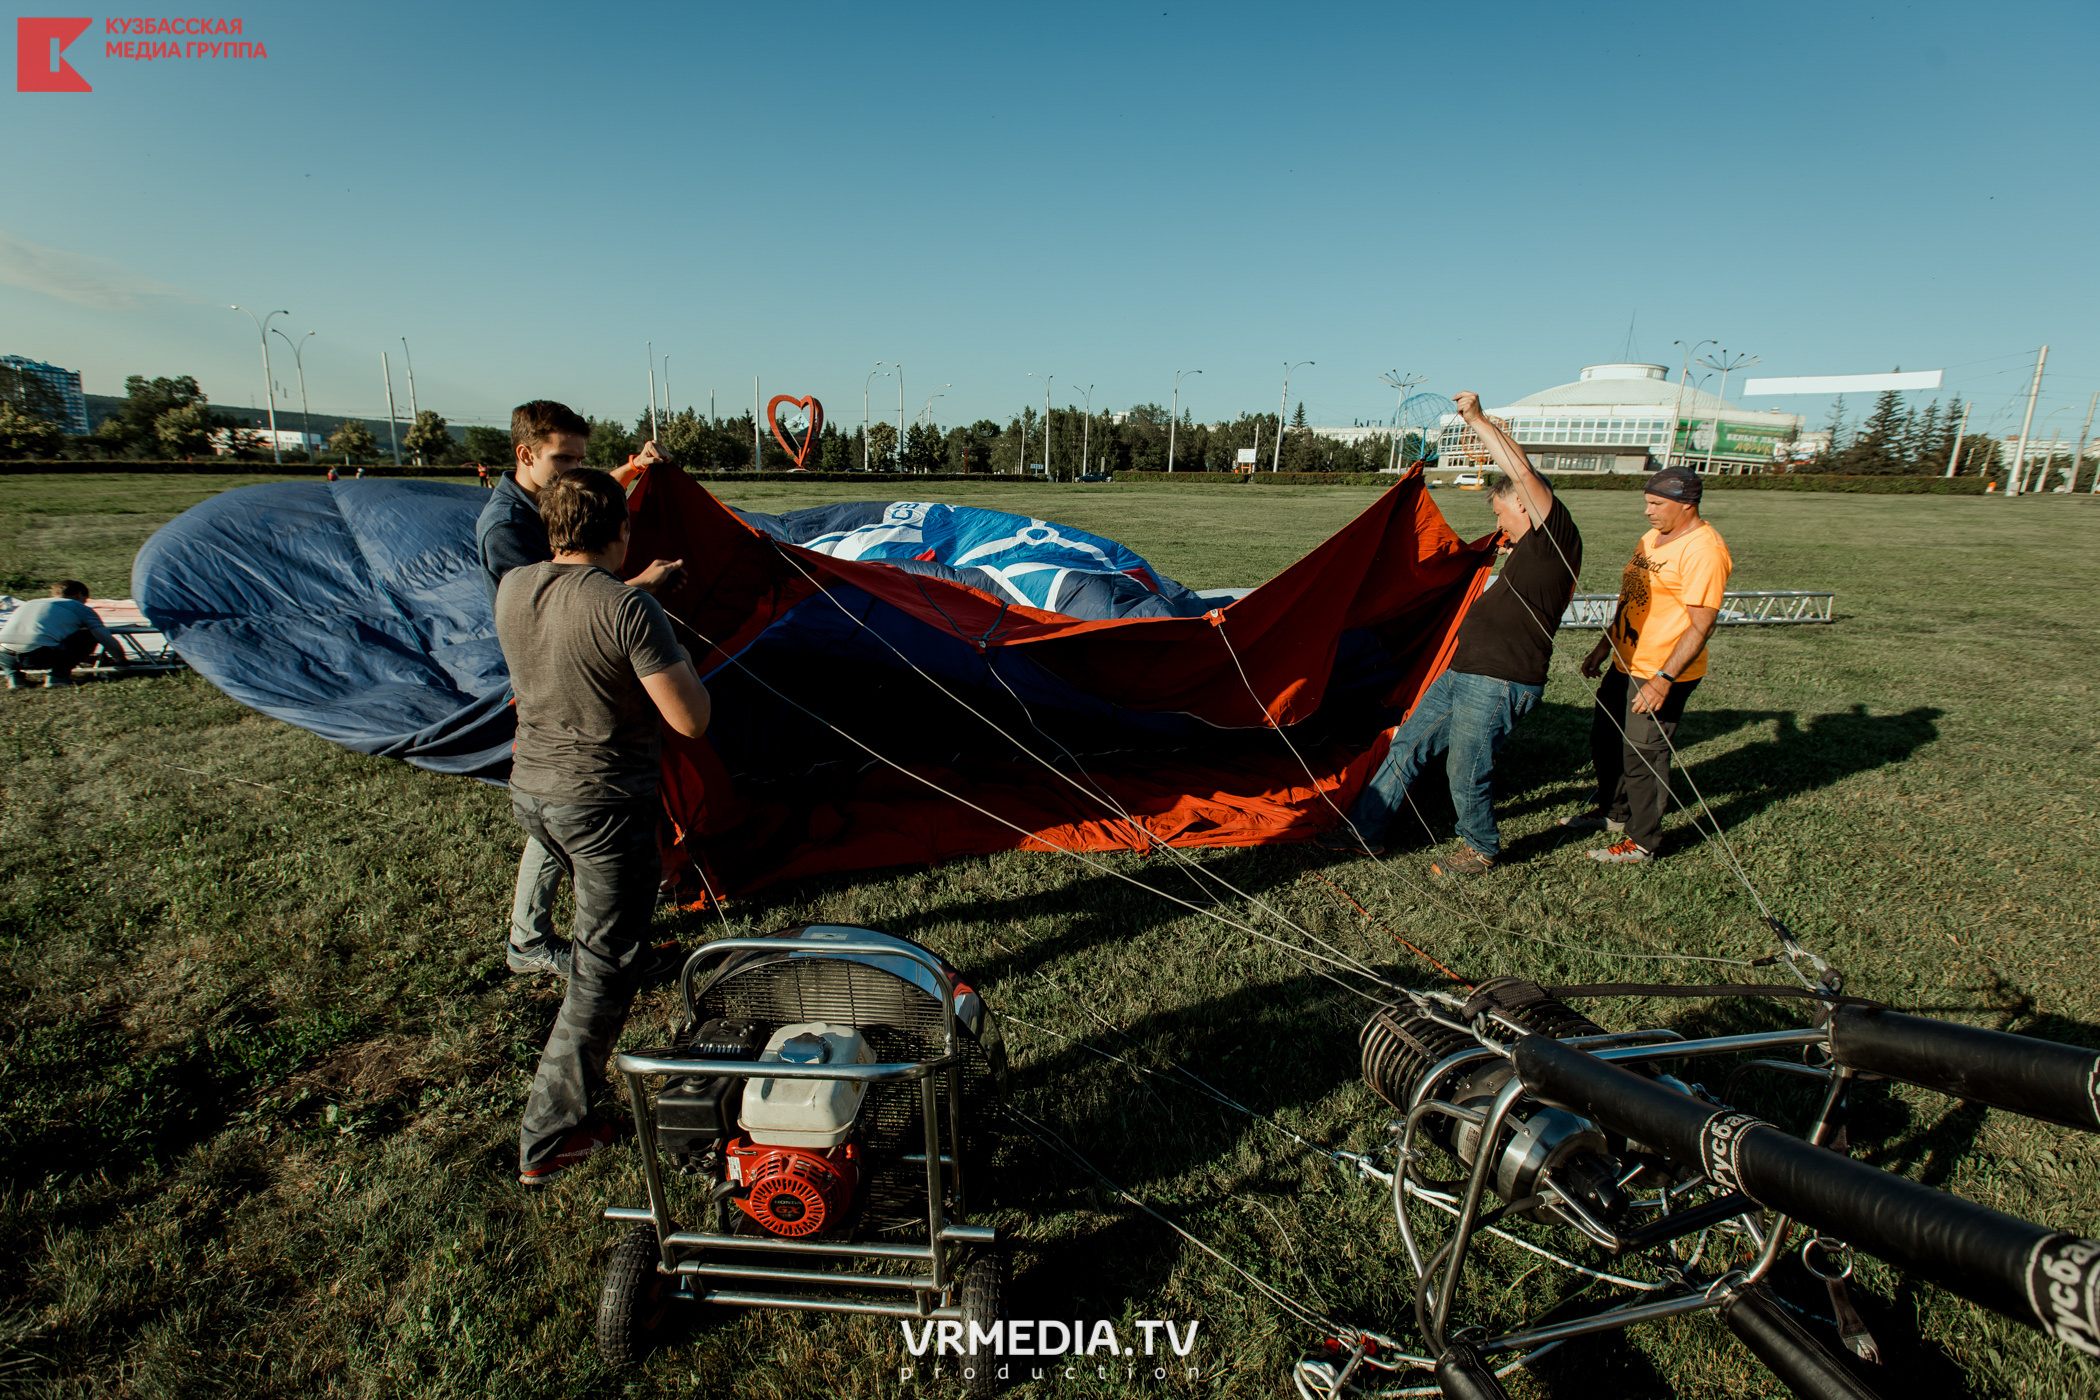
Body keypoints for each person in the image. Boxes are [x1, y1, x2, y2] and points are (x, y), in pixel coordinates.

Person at [495, 468, 712, 1186]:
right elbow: (690, 717)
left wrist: (636, 594)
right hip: (603, 808)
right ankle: (552, 1135)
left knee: (606, 947)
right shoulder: (629, 613)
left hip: (534, 795)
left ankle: (562, 1117)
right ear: (621, 529)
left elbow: (576, 621)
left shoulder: (514, 586)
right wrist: (665, 642)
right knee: (601, 975)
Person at [1317, 391, 1582, 875]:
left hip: (1501, 678)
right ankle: (1365, 832)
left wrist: (1478, 421)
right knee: (1408, 745)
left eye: (1501, 514)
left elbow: (1522, 471)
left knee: (1467, 765)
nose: (1498, 524)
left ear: (1525, 506)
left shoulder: (1554, 538)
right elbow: (1520, 480)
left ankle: (1481, 846)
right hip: (1465, 670)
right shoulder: (1526, 544)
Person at [478, 401, 684, 980]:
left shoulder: (549, 499)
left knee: (561, 802)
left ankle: (537, 936)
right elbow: (562, 598)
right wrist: (640, 592)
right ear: (525, 455)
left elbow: (579, 513)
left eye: (579, 462)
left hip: (570, 664)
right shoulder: (507, 529)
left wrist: (633, 468)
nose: (572, 472)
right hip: (551, 669)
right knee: (579, 796)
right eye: (562, 460)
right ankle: (595, 952)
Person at [1567, 466, 1733, 864]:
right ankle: (1614, 815)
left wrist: (1663, 679)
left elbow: (1701, 625)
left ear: (1687, 505)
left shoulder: (1704, 551)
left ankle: (1643, 841)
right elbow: (1632, 598)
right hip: (1626, 662)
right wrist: (1604, 647)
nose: (1648, 511)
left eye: (1657, 503)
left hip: (1661, 671)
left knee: (1644, 755)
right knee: (1606, 741)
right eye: (1647, 502)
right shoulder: (1652, 539)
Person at [0, 581, 128, 690]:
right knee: (88, 635)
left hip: (5, 656)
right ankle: (58, 677)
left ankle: (14, 678)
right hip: (40, 655)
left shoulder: (30, 603)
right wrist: (120, 660)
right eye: (85, 600)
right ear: (78, 595)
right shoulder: (77, 607)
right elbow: (104, 637)